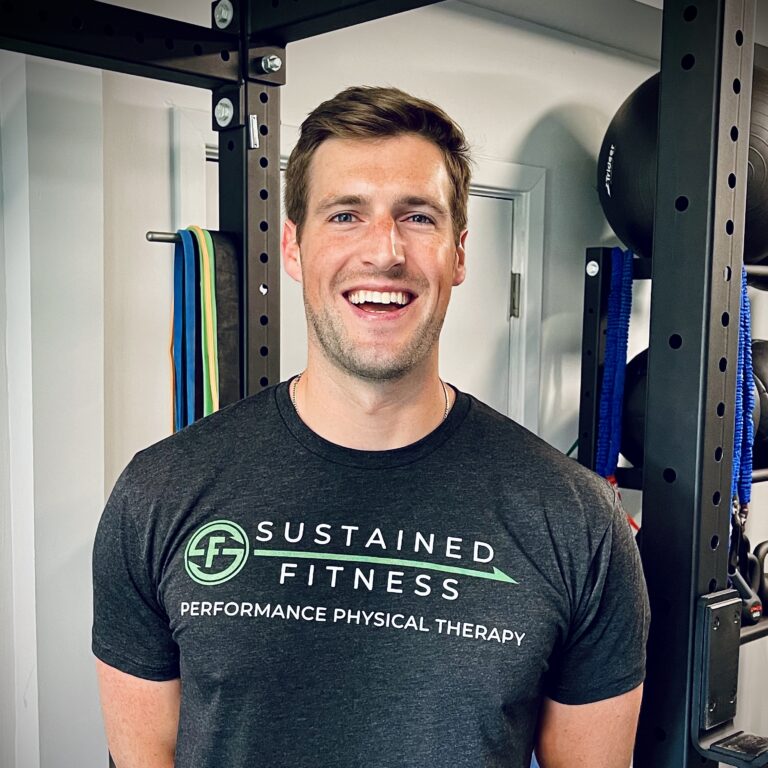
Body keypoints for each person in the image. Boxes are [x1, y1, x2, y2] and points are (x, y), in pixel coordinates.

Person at [92, 85, 650, 768]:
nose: (383, 251)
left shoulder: (576, 520)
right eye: (346, 215)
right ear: (293, 247)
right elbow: (143, 755)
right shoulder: (159, 492)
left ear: (459, 253)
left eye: (417, 217)